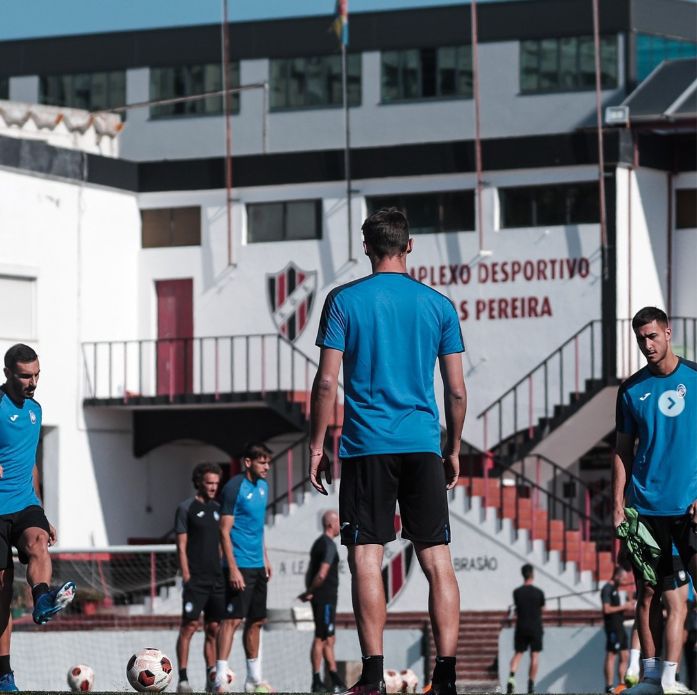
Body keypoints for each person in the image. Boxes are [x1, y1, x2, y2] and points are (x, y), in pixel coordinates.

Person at [309, 208, 467, 695]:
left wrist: (317, 445)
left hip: (364, 446)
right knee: (437, 559)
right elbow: (457, 391)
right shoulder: (439, 305)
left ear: (366, 247)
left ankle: (373, 676)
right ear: (410, 245)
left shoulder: (344, 300)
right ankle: (445, 679)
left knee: (365, 558)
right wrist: (453, 448)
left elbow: (327, 382)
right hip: (423, 445)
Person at [613, 306, 697, 695]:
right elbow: (622, 450)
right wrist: (618, 502)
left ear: (668, 333)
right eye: (640, 338)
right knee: (648, 593)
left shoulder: (695, 378)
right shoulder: (630, 390)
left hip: (689, 508)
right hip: (645, 510)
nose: (647, 344)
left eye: (652, 336)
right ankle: (650, 677)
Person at [0, 343, 77, 692]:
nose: (32, 382)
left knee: (39, 542)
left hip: (24, 503)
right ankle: (4, 675)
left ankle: (43, 599)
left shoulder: (35, 410)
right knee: (1, 593)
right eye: (25, 376)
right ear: (7, 374)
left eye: (37, 375)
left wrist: (42, 513)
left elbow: (29, 462)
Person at [215, 442, 273, 694]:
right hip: (238, 565)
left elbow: (258, 528)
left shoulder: (264, 487)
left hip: (258, 565)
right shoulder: (233, 488)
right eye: (262, 462)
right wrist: (233, 568)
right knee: (232, 620)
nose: (267, 467)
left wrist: (266, 557)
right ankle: (219, 677)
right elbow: (224, 531)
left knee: (257, 620)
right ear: (248, 462)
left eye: (268, 462)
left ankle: (254, 679)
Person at [174, 462, 224, 693]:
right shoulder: (186, 508)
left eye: (216, 483)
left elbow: (222, 543)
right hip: (195, 579)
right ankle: (183, 679)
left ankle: (211, 677)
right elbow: (181, 546)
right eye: (209, 483)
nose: (213, 487)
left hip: (216, 579)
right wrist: (186, 574)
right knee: (189, 627)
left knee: (213, 628)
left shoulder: (218, 508)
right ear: (199, 483)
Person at [298, 510, 346, 694]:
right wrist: (311, 591)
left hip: (323, 598)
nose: (340, 527)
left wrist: (309, 592)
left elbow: (312, 570)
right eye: (338, 523)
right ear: (330, 524)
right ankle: (317, 680)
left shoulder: (318, 544)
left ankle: (334, 678)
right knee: (321, 637)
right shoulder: (328, 546)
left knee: (329, 638)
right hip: (325, 598)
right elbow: (321, 573)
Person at [506, 564, 545, 695]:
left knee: (518, 653)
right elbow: (542, 609)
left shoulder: (517, 592)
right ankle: (531, 684)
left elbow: (517, 608)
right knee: (534, 655)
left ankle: (511, 677)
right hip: (535, 627)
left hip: (521, 626)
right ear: (532, 574)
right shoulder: (539, 592)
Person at [601, 565, 635, 692]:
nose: (625, 582)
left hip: (619, 626)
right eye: (623, 579)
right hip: (612, 627)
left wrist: (628, 604)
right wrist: (624, 607)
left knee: (625, 655)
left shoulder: (615, 589)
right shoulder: (607, 589)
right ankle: (609, 686)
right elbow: (606, 609)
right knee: (612, 655)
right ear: (617, 576)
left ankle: (622, 684)